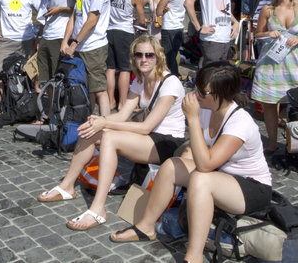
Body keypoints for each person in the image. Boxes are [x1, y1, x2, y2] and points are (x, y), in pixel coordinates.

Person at [110, 62, 272, 263]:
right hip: (221, 175)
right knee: (172, 166)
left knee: (199, 180)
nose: (195, 95)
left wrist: (193, 119)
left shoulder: (240, 122)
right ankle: (146, 226)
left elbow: (206, 165)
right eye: (195, 86)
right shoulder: (207, 108)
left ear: (221, 94)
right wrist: (183, 163)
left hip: (252, 187)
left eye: (202, 91)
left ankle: (194, 257)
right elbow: (196, 149)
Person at [38, 35, 186, 231]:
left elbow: (146, 127)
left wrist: (105, 124)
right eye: (138, 54)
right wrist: (98, 121)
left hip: (168, 142)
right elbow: (123, 114)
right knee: (91, 130)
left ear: (158, 56)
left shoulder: (170, 83)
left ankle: (98, 208)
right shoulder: (140, 79)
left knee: (109, 136)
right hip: (148, 137)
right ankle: (67, 185)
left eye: (149, 55)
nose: (144, 59)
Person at [61, 0, 111, 116]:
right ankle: (88, 122)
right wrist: (65, 40)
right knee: (86, 89)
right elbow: (74, 17)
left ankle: (105, 126)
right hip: (81, 46)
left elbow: (92, 20)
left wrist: (74, 43)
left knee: (99, 90)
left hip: (94, 46)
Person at [251, 0, 298, 153]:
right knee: (270, 106)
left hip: (294, 66)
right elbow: (257, 34)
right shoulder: (267, 10)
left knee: (295, 105)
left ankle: (293, 143)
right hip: (271, 65)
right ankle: (272, 142)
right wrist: (268, 34)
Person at [106, 0, 146, 111]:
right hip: (125, 32)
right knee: (124, 69)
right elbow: (142, 19)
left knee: (110, 68)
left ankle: (110, 101)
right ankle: (122, 102)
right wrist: (135, 23)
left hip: (109, 30)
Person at [32, 0, 77, 84]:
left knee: (58, 76)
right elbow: (43, 15)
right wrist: (39, 36)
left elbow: (81, 9)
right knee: (46, 79)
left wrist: (62, 9)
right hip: (47, 36)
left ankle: (60, 102)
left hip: (60, 36)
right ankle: (51, 103)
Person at [155, 0, 187, 76]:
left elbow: (158, 10)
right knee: (173, 57)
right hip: (179, 25)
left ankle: (173, 83)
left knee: (168, 60)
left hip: (169, 26)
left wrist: (161, 8)